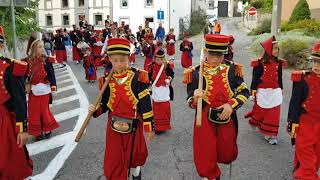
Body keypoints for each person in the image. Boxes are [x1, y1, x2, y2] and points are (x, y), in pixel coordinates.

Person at [183, 34, 249, 180]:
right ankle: (210, 175)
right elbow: (189, 100)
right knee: (205, 153)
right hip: (204, 119)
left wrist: (231, 105)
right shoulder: (195, 73)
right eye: (212, 54)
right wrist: (194, 98)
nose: (215, 59)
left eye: (219, 55)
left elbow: (244, 92)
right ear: (205, 52)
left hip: (227, 117)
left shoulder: (233, 69)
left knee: (226, 152)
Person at [88, 38, 155, 180]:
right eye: (115, 60)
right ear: (110, 60)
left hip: (134, 125)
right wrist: (96, 110)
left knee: (135, 156)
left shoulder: (138, 77)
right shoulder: (106, 80)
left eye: (123, 60)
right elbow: (106, 103)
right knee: (115, 160)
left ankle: (136, 172)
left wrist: (149, 127)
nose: (119, 64)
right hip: (113, 127)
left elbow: (145, 104)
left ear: (128, 58)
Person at [0, 25, 33, 180]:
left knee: (9, 166)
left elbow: (20, 101)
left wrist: (22, 130)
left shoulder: (9, 68)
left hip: (6, 126)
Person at [287, 42, 320, 180]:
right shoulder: (303, 79)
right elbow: (294, 103)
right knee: (307, 154)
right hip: (305, 123)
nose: (317, 66)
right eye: (315, 62)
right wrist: (291, 122)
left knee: (316, 155)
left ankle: (300, 167)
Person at [245, 36, 286, 145]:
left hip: (275, 92)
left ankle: (270, 135)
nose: (277, 51)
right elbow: (255, 79)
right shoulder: (259, 63)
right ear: (268, 50)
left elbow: (280, 77)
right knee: (260, 111)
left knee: (274, 113)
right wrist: (252, 92)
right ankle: (255, 121)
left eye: (278, 48)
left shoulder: (280, 63)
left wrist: (281, 89)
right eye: (275, 48)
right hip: (262, 92)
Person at [26, 39, 59, 141]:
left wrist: (54, 88)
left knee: (44, 111)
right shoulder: (28, 61)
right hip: (33, 91)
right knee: (34, 112)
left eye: (43, 47)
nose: (42, 49)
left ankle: (47, 129)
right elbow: (23, 77)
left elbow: (51, 75)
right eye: (40, 47)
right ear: (34, 49)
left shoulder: (47, 60)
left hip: (45, 90)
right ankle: (37, 132)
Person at [148, 49, 174, 134]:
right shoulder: (151, 66)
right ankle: (157, 127)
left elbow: (171, 73)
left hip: (165, 90)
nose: (160, 61)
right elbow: (148, 77)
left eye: (162, 59)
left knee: (165, 107)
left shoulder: (166, 65)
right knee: (156, 108)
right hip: (156, 89)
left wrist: (169, 78)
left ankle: (165, 125)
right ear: (154, 59)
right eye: (158, 60)